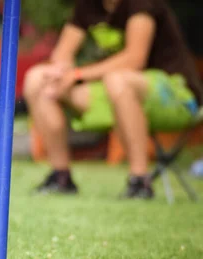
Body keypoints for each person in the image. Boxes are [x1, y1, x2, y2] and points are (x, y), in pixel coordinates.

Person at [23, 0, 203, 199]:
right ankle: (61, 177)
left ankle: (140, 181)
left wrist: (76, 75)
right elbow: (62, 54)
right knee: (37, 79)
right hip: (116, 92)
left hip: (176, 96)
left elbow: (134, 59)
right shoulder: (89, 5)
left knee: (118, 80)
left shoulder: (142, 3)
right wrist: (59, 72)